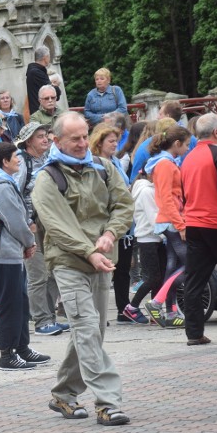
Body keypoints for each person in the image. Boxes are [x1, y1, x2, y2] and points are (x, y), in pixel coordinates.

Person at [32, 111, 133, 426]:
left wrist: (109, 233)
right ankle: (108, 402)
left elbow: (123, 204)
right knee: (88, 328)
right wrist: (90, 250)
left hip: (102, 260)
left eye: (82, 136)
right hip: (69, 262)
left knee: (92, 331)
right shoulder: (48, 178)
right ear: (56, 140)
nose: (80, 143)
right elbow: (59, 226)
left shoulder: (102, 168)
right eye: (73, 138)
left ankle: (63, 393)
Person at [0, 143, 50, 370]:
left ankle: (22, 348)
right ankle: (7, 354)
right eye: (15, 157)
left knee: (20, 302)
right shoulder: (1, 186)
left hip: (9, 251)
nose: (19, 160)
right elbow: (15, 220)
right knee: (9, 304)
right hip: (2, 252)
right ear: (4, 161)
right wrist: (29, 241)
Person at [180, 113, 217, 346]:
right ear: (216, 132)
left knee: (195, 281)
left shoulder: (188, 158)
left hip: (194, 224)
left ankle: (194, 333)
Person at [13, 122, 67, 336]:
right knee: (37, 274)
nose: (45, 139)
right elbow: (15, 194)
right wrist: (27, 221)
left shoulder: (48, 160)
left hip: (50, 222)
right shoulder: (22, 162)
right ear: (28, 142)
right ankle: (41, 320)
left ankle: (50, 316)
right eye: (40, 137)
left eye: (46, 135)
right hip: (32, 225)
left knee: (54, 271)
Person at [142, 126, 190, 328]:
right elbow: (166, 199)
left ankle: (170, 312)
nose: (188, 148)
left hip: (170, 220)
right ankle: (157, 303)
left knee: (172, 265)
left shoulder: (165, 162)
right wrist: (180, 224)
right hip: (172, 221)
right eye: (186, 144)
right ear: (177, 144)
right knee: (193, 264)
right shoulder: (165, 164)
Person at [88, 124, 134, 323]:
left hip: (123, 223)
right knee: (101, 271)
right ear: (99, 142)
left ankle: (123, 309)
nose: (116, 144)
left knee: (122, 269)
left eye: (117, 140)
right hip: (104, 224)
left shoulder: (115, 161)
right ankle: (96, 312)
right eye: (111, 141)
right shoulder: (94, 164)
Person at [120, 164, 161, 325]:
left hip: (152, 239)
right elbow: (154, 218)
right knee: (153, 278)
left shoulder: (148, 189)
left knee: (157, 277)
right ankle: (132, 306)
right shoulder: (146, 191)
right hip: (148, 239)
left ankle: (154, 311)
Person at [25, 46, 61, 115]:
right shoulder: (36, 72)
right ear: (45, 57)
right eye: (49, 57)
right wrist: (55, 87)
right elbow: (53, 91)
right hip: (41, 112)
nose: (49, 59)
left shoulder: (36, 71)